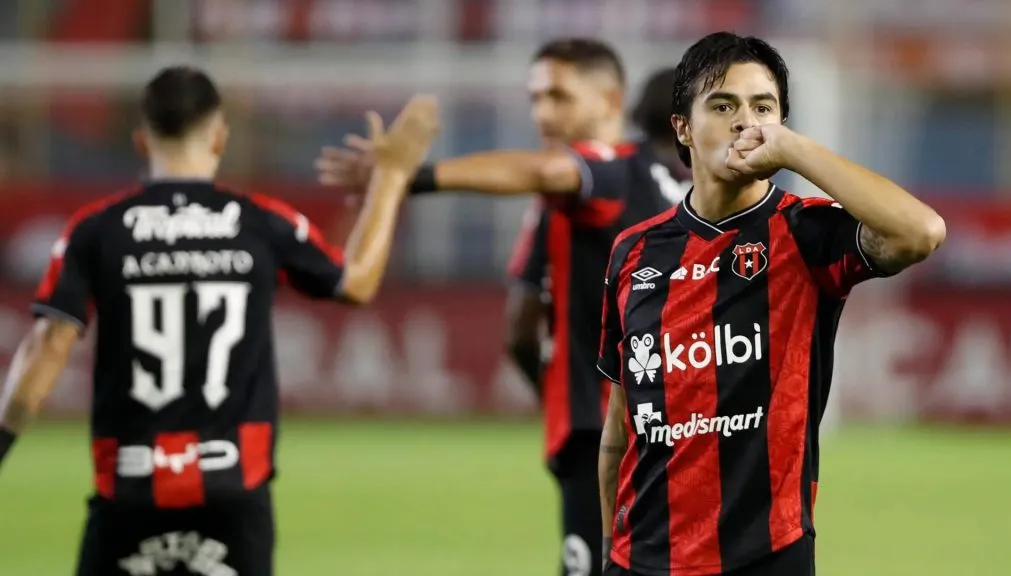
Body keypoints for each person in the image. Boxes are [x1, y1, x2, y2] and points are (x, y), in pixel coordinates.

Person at [0, 66, 439, 576]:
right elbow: (356, 282)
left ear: (142, 141)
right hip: (232, 485)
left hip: (130, 484)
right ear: (220, 138)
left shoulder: (96, 230)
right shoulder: (259, 222)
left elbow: (49, 344)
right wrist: (389, 179)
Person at [316, 39, 689, 576]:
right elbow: (521, 318)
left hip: (602, 429)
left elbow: (520, 324)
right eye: (536, 98)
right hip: (657, 421)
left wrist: (407, 177)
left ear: (611, 100)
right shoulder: (644, 185)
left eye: (559, 96)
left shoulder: (605, 172)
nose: (543, 112)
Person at [597, 32, 946, 576]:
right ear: (682, 128)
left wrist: (795, 151)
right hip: (641, 559)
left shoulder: (805, 233)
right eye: (723, 105)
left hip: (767, 555)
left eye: (763, 107)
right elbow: (619, 431)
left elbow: (920, 232)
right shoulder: (634, 251)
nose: (746, 122)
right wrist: (606, 555)